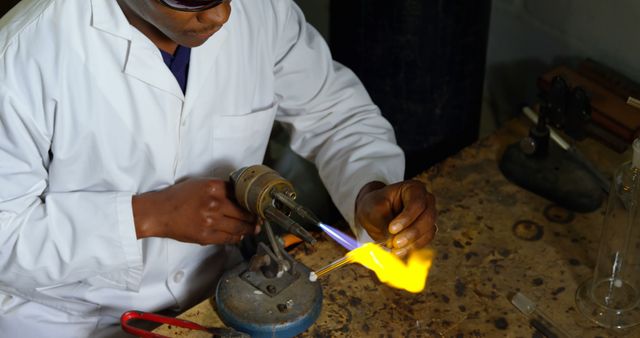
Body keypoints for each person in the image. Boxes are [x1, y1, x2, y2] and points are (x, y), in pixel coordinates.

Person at [0, 0, 437, 336]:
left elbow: (335, 113)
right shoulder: (25, 53)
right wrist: (148, 216)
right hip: (67, 318)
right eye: (190, 0)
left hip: (215, 296)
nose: (222, 15)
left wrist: (369, 189)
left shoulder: (260, 12)